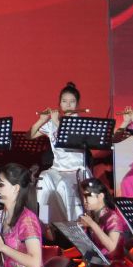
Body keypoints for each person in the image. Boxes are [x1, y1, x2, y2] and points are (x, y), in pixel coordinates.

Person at [30, 83, 91, 224]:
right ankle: (44, 222)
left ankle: (71, 225)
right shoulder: (53, 123)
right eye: (64, 101)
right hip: (57, 169)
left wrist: (57, 122)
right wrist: (41, 120)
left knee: (63, 184)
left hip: (75, 170)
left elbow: (70, 139)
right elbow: (31, 135)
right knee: (43, 177)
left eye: (72, 102)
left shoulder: (81, 123)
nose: (68, 105)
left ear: (77, 104)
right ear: (59, 104)